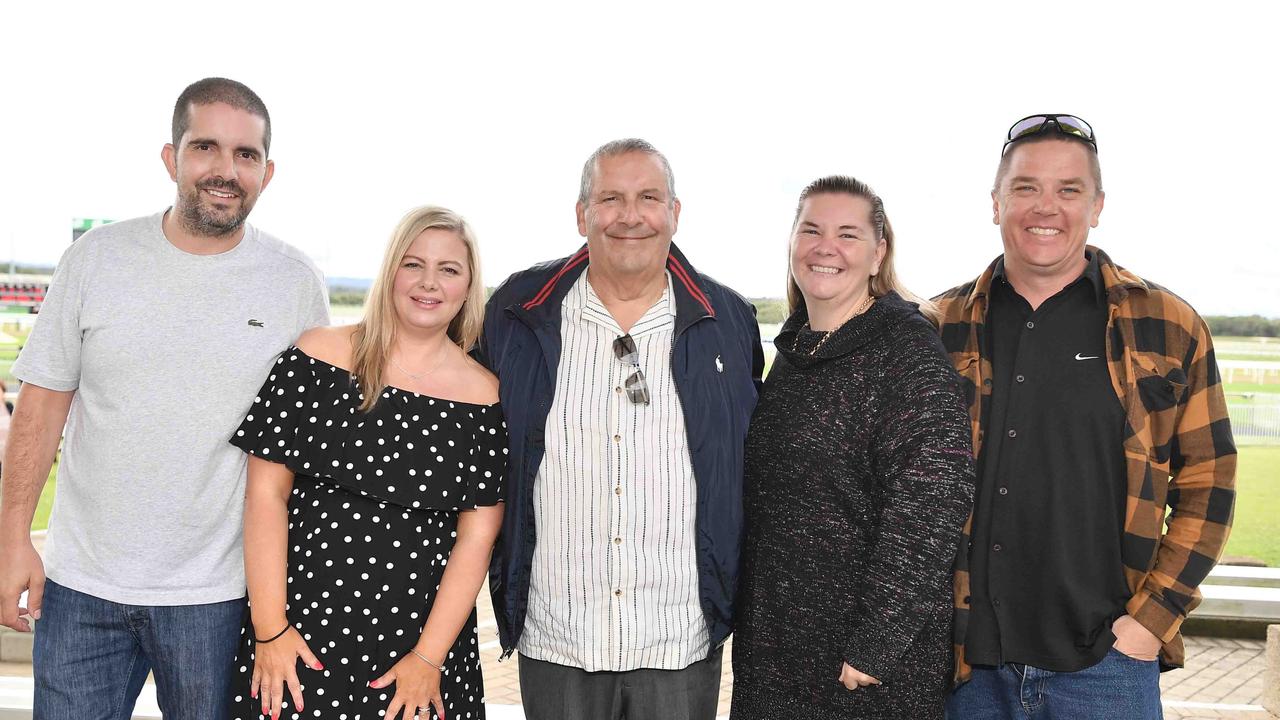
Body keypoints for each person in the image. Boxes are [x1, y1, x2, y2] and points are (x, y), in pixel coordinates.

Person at [0, 77, 328, 718]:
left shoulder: (295, 284)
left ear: (267, 170)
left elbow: (313, 445)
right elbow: (39, 409)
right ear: (171, 157)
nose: (225, 171)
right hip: (81, 589)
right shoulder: (95, 260)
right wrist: (13, 539)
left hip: (221, 594)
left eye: (246, 155)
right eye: (206, 147)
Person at [938, 114, 1237, 719]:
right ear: (995, 203)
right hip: (967, 672)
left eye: (1068, 190)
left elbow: (1210, 481)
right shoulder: (936, 328)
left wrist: (1150, 624)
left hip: (1108, 669)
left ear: (1097, 205)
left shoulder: (1168, 325)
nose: (1045, 207)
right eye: (1025, 188)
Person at [479, 138, 764, 720]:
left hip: (679, 634)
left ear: (674, 214)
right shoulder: (516, 309)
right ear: (582, 214)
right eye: (610, 198)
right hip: (556, 633)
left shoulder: (728, 319)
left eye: (648, 198)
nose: (630, 216)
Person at [227, 206, 506, 720]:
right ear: (390, 272)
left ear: (469, 287)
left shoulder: (485, 397)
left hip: (420, 650)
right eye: (413, 264)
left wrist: (429, 657)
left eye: (449, 269)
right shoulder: (316, 356)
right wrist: (270, 629)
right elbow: (266, 496)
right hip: (300, 636)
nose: (429, 283)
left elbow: (478, 535)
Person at [731, 176, 975, 719]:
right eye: (811, 230)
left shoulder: (906, 352)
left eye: (848, 234)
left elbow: (935, 498)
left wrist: (875, 644)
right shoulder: (795, 353)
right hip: (776, 650)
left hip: (861, 669)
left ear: (878, 253)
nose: (826, 247)